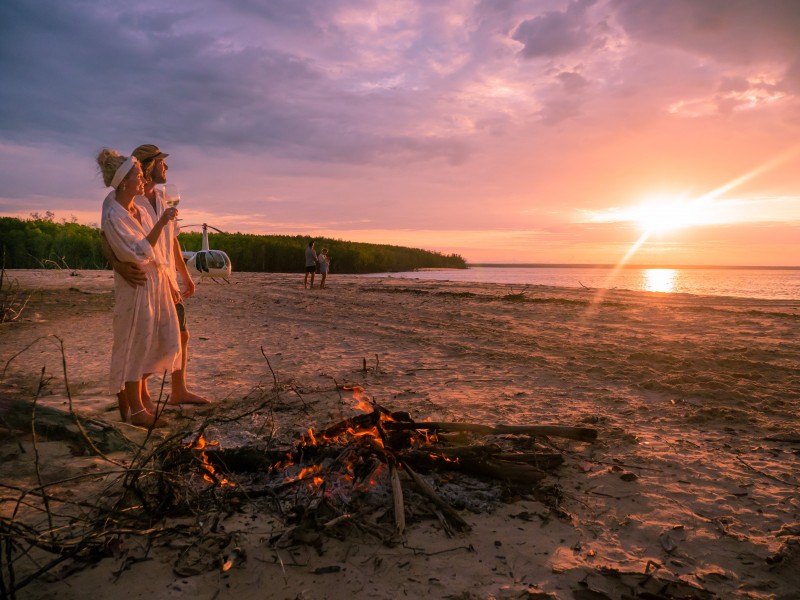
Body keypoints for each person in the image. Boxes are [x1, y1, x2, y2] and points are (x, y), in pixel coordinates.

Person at [101, 144, 209, 408]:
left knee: (178, 334)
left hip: (166, 277)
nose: (167, 167)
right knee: (147, 337)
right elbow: (106, 236)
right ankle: (139, 396)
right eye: (162, 162)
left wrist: (184, 275)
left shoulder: (160, 197)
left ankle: (177, 390)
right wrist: (118, 264)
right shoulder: (128, 198)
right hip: (144, 278)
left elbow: (171, 240)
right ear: (150, 166)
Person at [97, 149, 180, 427]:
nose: (142, 177)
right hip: (136, 285)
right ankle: (133, 410)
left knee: (148, 343)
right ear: (123, 181)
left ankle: (141, 403)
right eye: (138, 173)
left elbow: (162, 248)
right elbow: (140, 250)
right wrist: (162, 221)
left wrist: (171, 279)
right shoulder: (113, 212)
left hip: (154, 282)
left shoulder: (140, 205)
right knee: (132, 344)